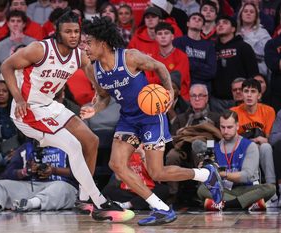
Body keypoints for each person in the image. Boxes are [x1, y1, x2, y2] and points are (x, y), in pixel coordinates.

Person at [82, 16, 223, 226]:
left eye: (89, 42)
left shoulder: (130, 57)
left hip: (150, 118)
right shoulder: (94, 69)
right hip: (128, 120)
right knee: (117, 165)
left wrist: (168, 94)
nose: (85, 47)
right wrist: (93, 109)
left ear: (102, 42)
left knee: (157, 172)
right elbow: (103, 96)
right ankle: (162, 208)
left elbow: (159, 67)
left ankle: (205, 174)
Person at [0, 10, 135, 222]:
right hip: (27, 110)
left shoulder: (80, 56)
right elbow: (6, 66)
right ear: (58, 33)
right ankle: (99, 202)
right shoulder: (39, 49)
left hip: (49, 105)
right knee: (73, 146)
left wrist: (99, 101)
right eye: (68, 31)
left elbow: (100, 89)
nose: (73, 36)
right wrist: (18, 98)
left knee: (91, 141)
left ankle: (83, 198)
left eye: (76, 32)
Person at [0, 141, 79, 212]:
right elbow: (8, 173)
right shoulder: (27, 147)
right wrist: (25, 171)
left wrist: (54, 170)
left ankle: (32, 204)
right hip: (31, 187)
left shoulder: (67, 146)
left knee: (62, 188)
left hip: (60, 186)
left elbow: (79, 173)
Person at [197, 110, 276, 211]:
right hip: (224, 190)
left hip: (246, 189)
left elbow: (246, 176)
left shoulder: (249, 146)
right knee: (202, 189)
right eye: (223, 127)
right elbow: (211, 179)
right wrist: (205, 171)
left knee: (270, 188)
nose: (225, 131)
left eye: (229, 127)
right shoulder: (214, 147)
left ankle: (225, 204)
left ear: (237, 126)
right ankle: (247, 203)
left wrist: (222, 174)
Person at [165, 84, 221, 203]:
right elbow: (173, 139)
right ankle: (172, 194)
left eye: (200, 96)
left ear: (207, 98)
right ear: (189, 98)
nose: (197, 99)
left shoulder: (215, 117)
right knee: (171, 155)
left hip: (207, 149)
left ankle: (203, 192)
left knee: (199, 147)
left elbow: (219, 138)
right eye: (193, 96)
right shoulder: (181, 119)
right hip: (183, 150)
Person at [231, 78, 279, 207]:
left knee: (266, 147)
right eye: (246, 91)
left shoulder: (268, 111)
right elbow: (231, 138)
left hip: (261, 147)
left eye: (253, 91)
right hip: (242, 150)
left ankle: (272, 192)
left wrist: (260, 140)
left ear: (259, 95)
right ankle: (255, 193)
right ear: (242, 94)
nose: (249, 95)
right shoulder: (234, 112)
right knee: (255, 148)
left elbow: (268, 138)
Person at [211, 15, 259, 113]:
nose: (220, 25)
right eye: (218, 23)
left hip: (240, 99)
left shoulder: (244, 47)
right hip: (217, 100)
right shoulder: (212, 48)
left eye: (225, 22)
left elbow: (253, 73)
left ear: (233, 29)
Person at [147, 22, 191, 101]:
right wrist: (164, 78)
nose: (163, 36)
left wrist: (158, 79)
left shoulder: (182, 56)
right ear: (156, 38)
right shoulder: (151, 58)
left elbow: (176, 80)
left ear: (172, 37)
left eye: (166, 33)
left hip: (179, 100)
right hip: (156, 98)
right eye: (160, 34)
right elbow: (147, 81)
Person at [173, 12, 216, 92]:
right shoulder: (178, 42)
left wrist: (189, 64)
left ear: (203, 26)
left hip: (202, 90)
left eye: (199, 20)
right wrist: (201, 66)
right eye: (194, 18)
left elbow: (211, 72)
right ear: (188, 23)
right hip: (182, 88)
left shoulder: (209, 45)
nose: (196, 20)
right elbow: (177, 67)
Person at [236, 2, 271, 78]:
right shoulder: (234, 32)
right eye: (245, 11)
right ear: (241, 14)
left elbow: (267, 54)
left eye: (252, 12)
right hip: (238, 71)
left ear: (256, 16)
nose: (248, 13)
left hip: (258, 70)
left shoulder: (263, 33)